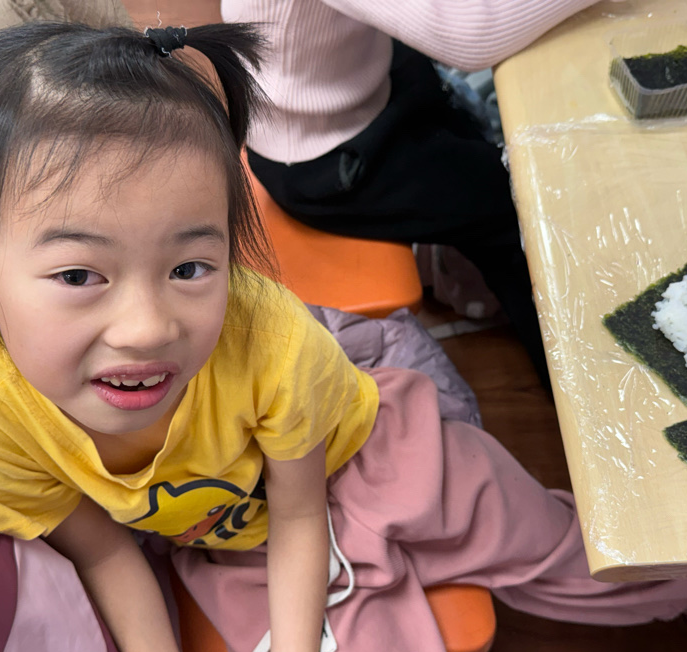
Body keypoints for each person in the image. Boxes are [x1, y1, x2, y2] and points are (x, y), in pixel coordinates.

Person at [0, 19, 687, 652]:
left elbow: (302, 510)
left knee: (561, 544)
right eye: (79, 275)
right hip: (237, 549)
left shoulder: (268, 334)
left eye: (190, 266)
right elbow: (107, 555)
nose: (149, 328)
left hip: (369, 449)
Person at [221, 0, 616, 390]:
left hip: (358, 90)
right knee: (521, 214)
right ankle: (585, 386)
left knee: (473, 137)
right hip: (323, 158)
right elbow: (472, 36)